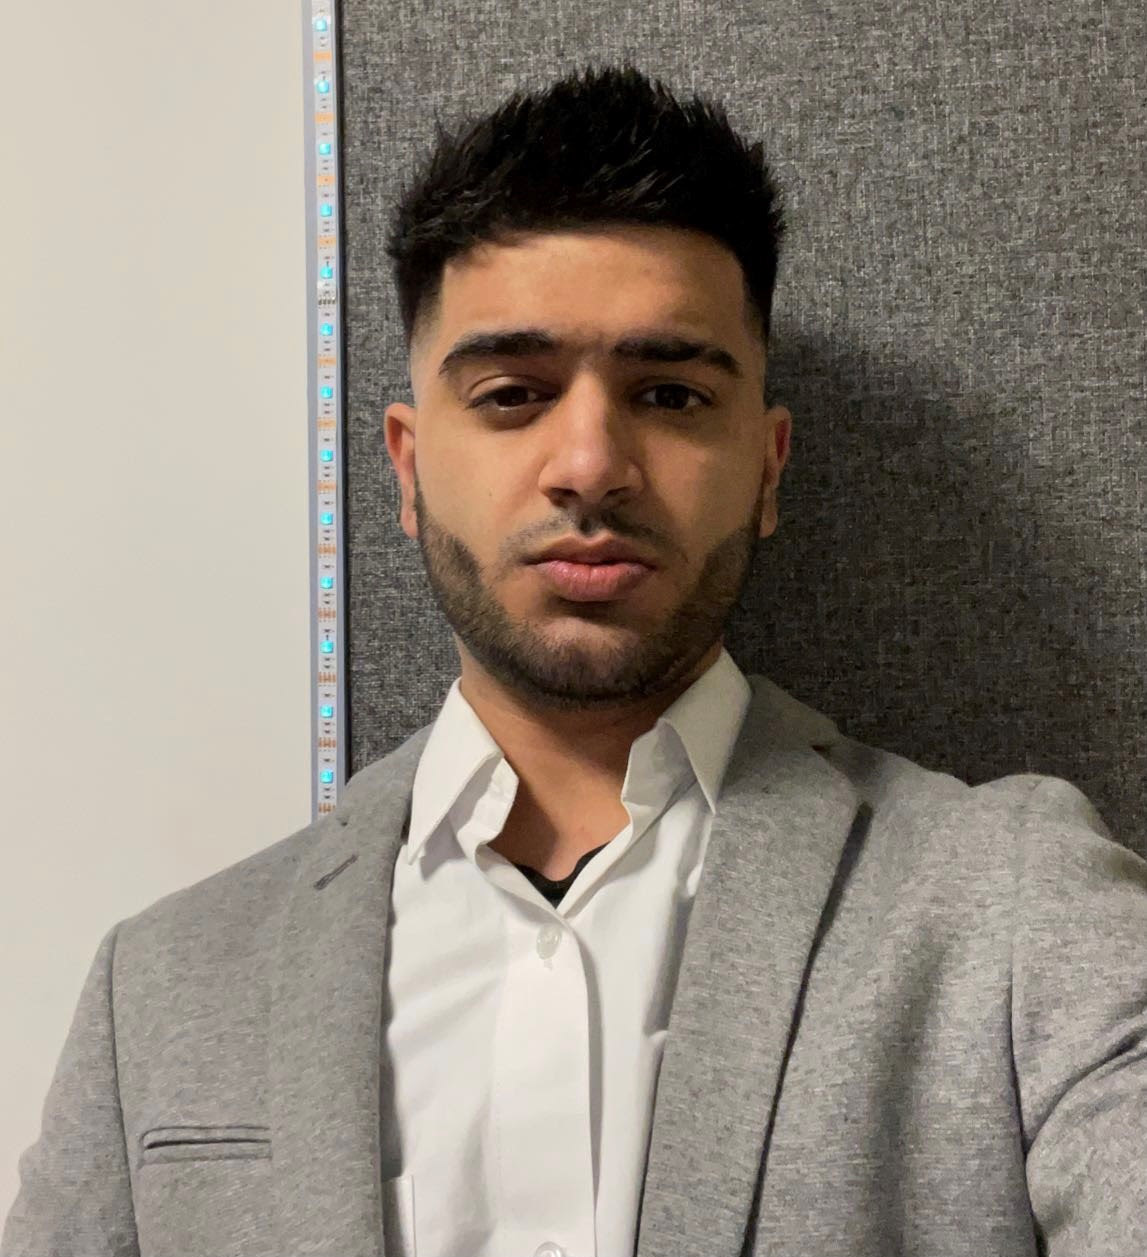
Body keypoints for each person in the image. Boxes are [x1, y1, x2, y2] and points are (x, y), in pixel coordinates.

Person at [3, 60, 1145, 1257]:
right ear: (406, 468)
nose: (590, 465)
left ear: (766, 468)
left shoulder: (1017, 914)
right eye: (511, 394)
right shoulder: (165, 986)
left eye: (669, 394)